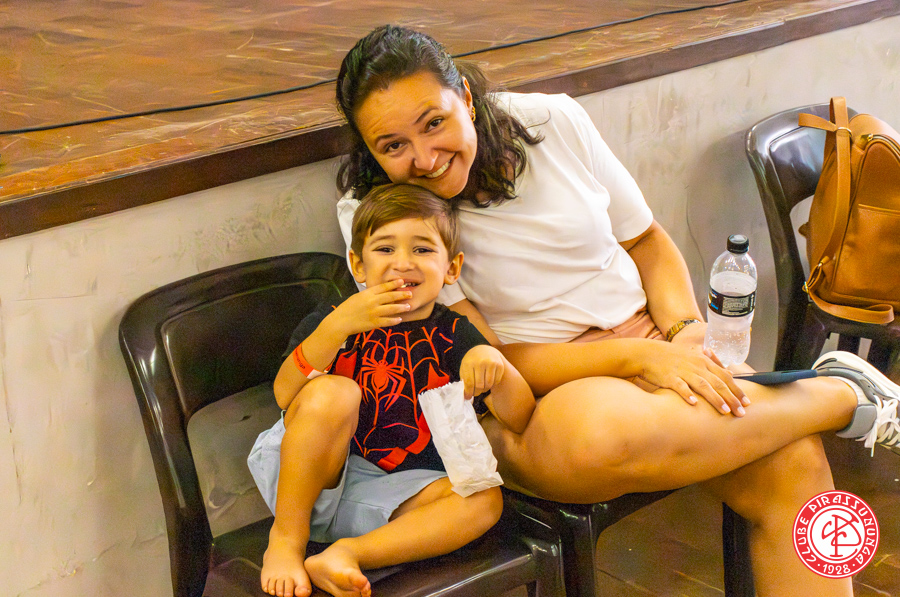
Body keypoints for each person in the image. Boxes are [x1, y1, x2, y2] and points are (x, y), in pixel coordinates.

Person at [329, 24, 900, 597]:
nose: (425, 158)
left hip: (647, 337)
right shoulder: (377, 220)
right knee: (597, 437)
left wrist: (684, 332)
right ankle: (837, 396)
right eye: (392, 146)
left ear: (467, 99)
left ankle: (834, 400)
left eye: (434, 122)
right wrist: (637, 360)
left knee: (797, 466)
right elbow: (486, 358)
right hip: (525, 393)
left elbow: (646, 240)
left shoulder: (550, 120)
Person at [248, 182, 536, 597]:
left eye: (422, 249)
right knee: (335, 394)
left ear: (451, 268)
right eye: (385, 249)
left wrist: (497, 368)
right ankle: (286, 541)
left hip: (394, 495)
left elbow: (520, 417)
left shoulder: (454, 334)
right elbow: (283, 394)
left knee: (484, 498)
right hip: (307, 480)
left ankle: (348, 554)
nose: (403, 263)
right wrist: (336, 327)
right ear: (358, 264)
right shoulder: (334, 320)